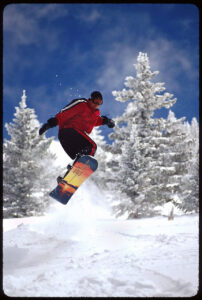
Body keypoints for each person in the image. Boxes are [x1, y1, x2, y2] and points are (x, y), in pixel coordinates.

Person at [39, 91, 115, 178]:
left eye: (99, 103)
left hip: (70, 139)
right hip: (68, 131)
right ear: (90, 99)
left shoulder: (94, 114)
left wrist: (106, 121)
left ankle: (69, 177)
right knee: (92, 146)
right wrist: (52, 123)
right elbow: (65, 112)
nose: (96, 105)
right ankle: (78, 169)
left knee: (82, 155)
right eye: (95, 101)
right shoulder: (82, 104)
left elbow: (94, 121)